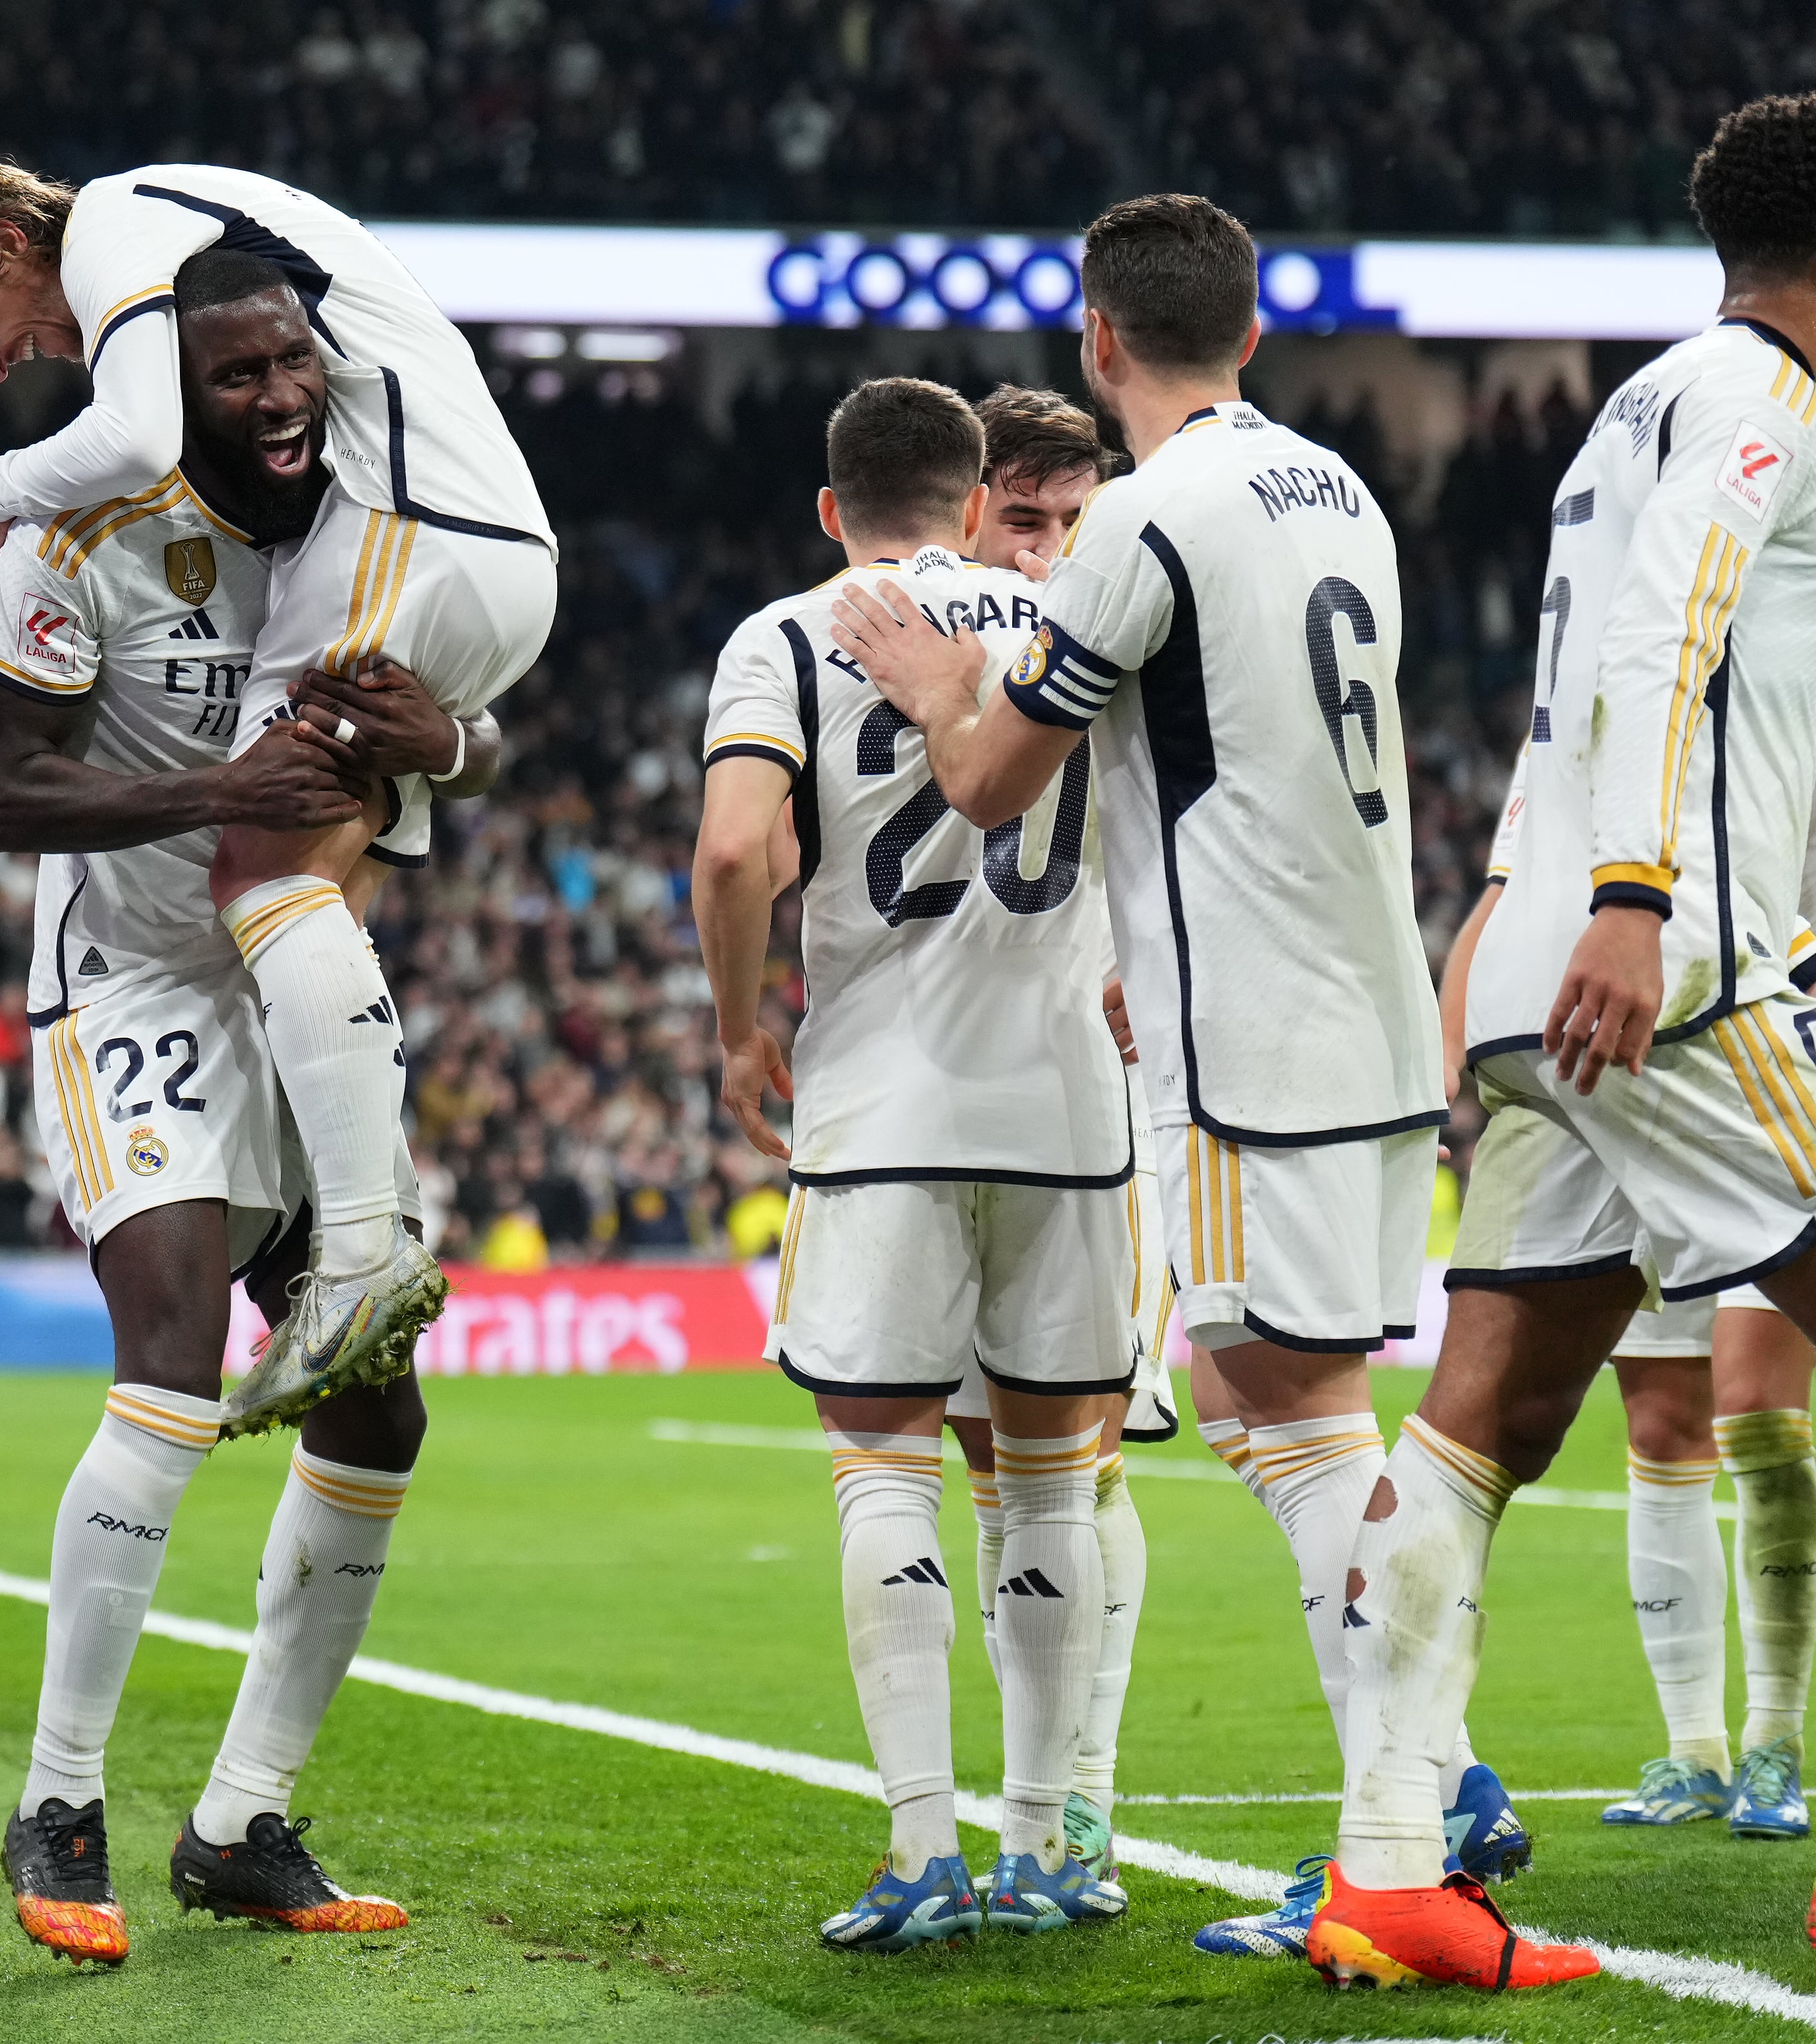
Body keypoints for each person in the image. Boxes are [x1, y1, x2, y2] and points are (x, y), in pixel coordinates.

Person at [1311, 95, 1816, 1988]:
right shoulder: (1767, 400)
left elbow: (1577, 684)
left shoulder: (1630, 407)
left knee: (1488, 1415)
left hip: (1557, 956)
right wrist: (1644, 899)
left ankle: (1388, 1864)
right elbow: (1667, 636)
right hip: (1661, 965)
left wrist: (1537, 920)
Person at [829, 196, 1526, 1966]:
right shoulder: (1337, 485)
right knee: (1285, 1406)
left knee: (1281, 1420)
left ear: (1097, 343)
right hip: (1374, 1007)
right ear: (1260, 335)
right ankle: (1417, 1792)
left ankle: (1417, 1800)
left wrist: (929, 678)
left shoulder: (1152, 513)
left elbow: (993, 778)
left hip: (1241, 1029)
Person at [0, 246, 501, 1967]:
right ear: (165, 390)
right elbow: (0, 789)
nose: (279, 399)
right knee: (176, 1355)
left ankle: (242, 1817)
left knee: (378, 1412)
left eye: (296, 367)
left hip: (288, 970)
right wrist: (214, 782)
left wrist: (452, 749)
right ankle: (59, 1795)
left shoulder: (364, 527)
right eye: (236, 375)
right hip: (131, 981)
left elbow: (433, 744)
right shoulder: (74, 544)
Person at [0, 152, 556, 1436]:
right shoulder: (256, 414)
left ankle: (360, 1258)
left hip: (418, 523)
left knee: (258, 867)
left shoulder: (119, 223)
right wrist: (448, 750)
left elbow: (133, 433)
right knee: (326, 872)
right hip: (470, 543)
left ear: (10, 240)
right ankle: (362, 1232)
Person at [696, 377, 1133, 1950]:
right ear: (973, 501)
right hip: (1073, 1112)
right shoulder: (1072, 621)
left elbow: (741, 849)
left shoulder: (786, 631)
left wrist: (744, 1028)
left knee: (881, 1463)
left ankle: (921, 1853)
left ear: (831, 508)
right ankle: (1049, 1849)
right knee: (1047, 1484)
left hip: (880, 1106)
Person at [1437, 660, 1816, 1845]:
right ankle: (1694, 1744)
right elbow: (1507, 890)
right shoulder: (1579, 706)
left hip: (1763, 1084)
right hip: (1620, 1091)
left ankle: (1779, 1739)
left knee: (1758, 1416)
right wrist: (1457, 1054)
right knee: (1662, 1427)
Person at [938, 384, 1164, 1889]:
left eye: (1075, 522)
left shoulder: (1136, 648)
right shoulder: (892, 644)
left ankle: (1076, 1801)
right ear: (964, 515)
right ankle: (1038, 1791)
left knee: (1075, 1463)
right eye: (1024, 518)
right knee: (982, 1462)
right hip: (933, 1096)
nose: (1052, 550)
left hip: (1092, 1096)